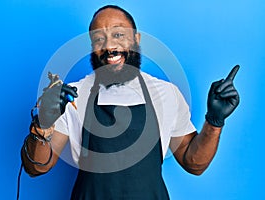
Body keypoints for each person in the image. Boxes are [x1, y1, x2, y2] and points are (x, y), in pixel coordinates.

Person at [21, 5, 240, 200]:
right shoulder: (72, 96)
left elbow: (194, 163)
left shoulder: (166, 94)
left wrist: (214, 121)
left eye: (118, 34)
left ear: (136, 39)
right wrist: (43, 123)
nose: (109, 47)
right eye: (99, 39)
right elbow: (35, 167)